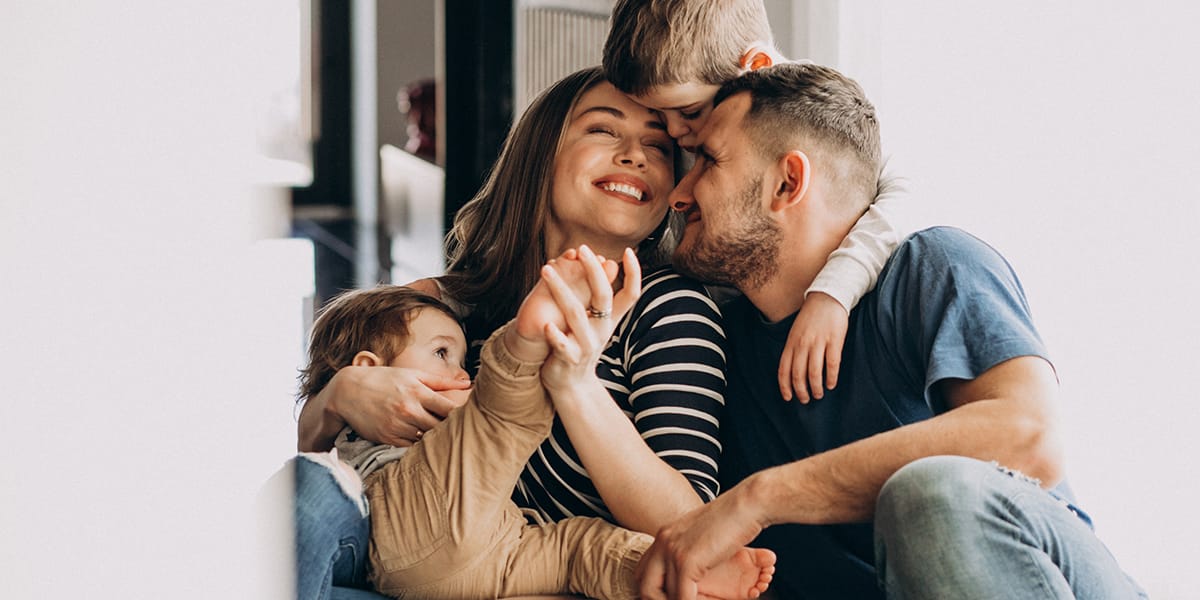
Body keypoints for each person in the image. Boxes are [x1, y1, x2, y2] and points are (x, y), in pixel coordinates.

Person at [633, 62, 1146, 600]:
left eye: (708, 162)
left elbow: (1029, 439)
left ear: (787, 183)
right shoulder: (714, 342)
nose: (679, 193)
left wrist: (757, 498)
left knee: (930, 492)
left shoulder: (931, 268)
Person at [291, 67, 731, 600]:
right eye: (603, 130)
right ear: (541, 153)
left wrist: (576, 383)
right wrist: (337, 398)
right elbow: (324, 463)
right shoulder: (452, 303)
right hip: (387, 563)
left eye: (657, 146)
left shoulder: (668, 307)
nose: (635, 155)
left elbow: (686, 525)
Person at [295, 269, 775, 600]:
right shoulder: (464, 300)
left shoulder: (670, 305)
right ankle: (524, 346)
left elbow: (684, 511)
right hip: (407, 521)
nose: (462, 375)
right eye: (443, 355)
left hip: (500, 547)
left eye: (464, 361)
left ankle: (681, 576)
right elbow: (315, 476)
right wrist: (339, 395)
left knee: (580, 550)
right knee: (500, 412)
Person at [603, 0, 911, 404]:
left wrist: (831, 293)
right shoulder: (690, 123)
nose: (676, 132)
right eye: (660, 117)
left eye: (689, 111)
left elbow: (902, 198)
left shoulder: (825, 123)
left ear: (758, 64)